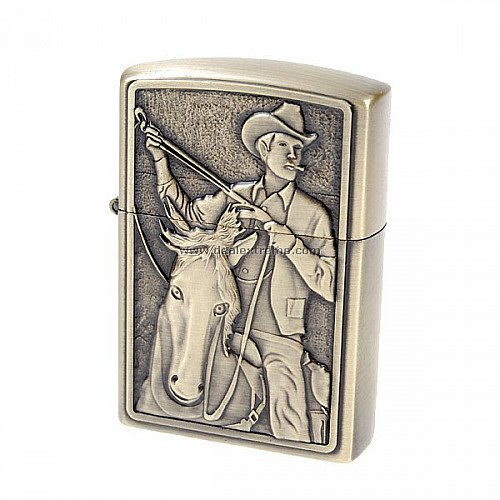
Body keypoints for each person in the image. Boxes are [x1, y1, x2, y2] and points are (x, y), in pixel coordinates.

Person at [145, 102, 335, 443]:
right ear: (264, 149)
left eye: (298, 148)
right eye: (284, 145)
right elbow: (186, 215)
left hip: (279, 334)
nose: (293, 155)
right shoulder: (238, 195)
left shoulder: (313, 213)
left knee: (287, 413)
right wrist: (160, 160)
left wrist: (286, 239)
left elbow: (331, 286)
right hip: (225, 325)